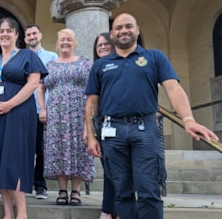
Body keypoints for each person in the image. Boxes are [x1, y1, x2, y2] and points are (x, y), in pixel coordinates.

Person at [85, 13, 219, 219]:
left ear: (137, 30)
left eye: (129, 26)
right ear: (112, 34)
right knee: (122, 193)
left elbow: (173, 89)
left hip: (145, 131)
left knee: (149, 191)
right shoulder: (100, 65)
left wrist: (188, 119)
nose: (124, 31)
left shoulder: (154, 58)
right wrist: (92, 136)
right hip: (112, 132)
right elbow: (92, 103)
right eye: (119, 28)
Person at [0, 17, 48, 219]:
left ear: (16, 35)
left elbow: (32, 84)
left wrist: (8, 105)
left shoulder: (27, 56)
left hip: (18, 113)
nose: (4, 34)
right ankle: (7, 213)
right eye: (1, 31)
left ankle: (21, 214)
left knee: (15, 160)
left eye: (9, 30)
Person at [37, 28, 95, 206]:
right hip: (56, 114)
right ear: (57, 42)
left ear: (74, 43)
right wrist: (42, 109)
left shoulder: (85, 63)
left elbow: (93, 90)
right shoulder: (50, 66)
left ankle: (76, 191)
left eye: (69, 39)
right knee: (59, 149)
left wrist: (91, 115)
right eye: (62, 39)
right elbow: (41, 88)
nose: (65, 42)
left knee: (79, 148)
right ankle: (62, 190)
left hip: (79, 113)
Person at [24, 24, 58, 200]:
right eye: (28, 34)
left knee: (42, 150)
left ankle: (40, 185)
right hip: (24, 111)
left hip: (44, 111)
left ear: (40, 35)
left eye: (34, 33)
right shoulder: (21, 57)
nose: (31, 36)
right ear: (25, 39)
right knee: (23, 149)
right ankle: (22, 183)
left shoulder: (52, 57)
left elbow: (53, 85)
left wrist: (48, 108)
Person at [92, 33, 118, 219]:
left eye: (105, 44)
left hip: (123, 124)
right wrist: (90, 131)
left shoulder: (121, 66)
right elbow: (91, 102)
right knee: (110, 170)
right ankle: (108, 211)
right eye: (99, 45)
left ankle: (113, 211)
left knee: (122, 173)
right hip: (102, 125)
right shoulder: (96, 68)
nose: (102, 47)